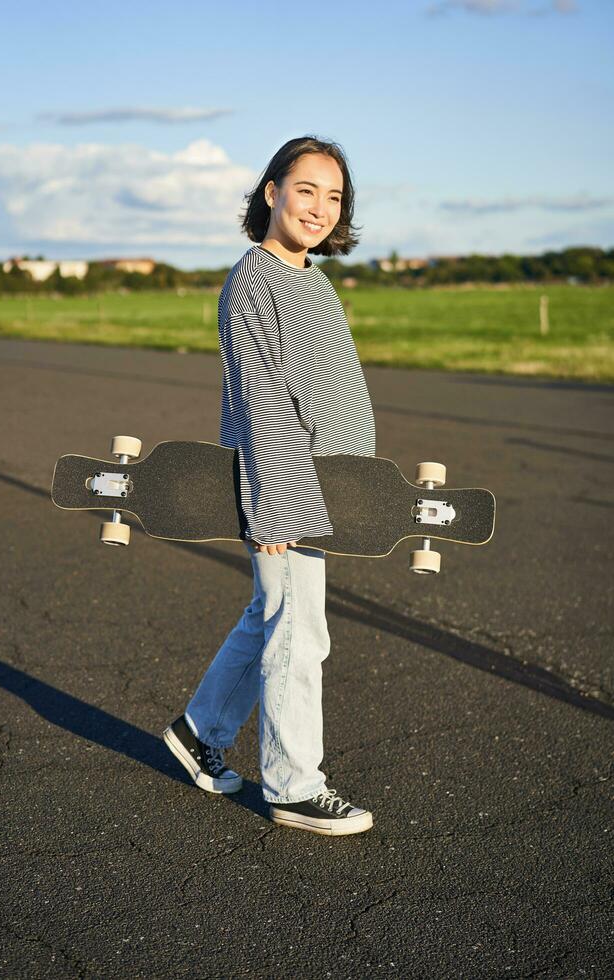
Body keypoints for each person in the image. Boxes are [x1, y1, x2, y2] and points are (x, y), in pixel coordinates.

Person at [163, 135, 376, 837]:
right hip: (287, 488)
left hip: (325, 487)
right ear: (271, 192)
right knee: (298, 630)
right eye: (306, 189)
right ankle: (293, 784)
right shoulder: (254, 280)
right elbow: (261, 400)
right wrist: (279, 499)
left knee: (271, 616)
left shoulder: (312, 279)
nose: (319, 207)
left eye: (333, 196)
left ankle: (199, 733)